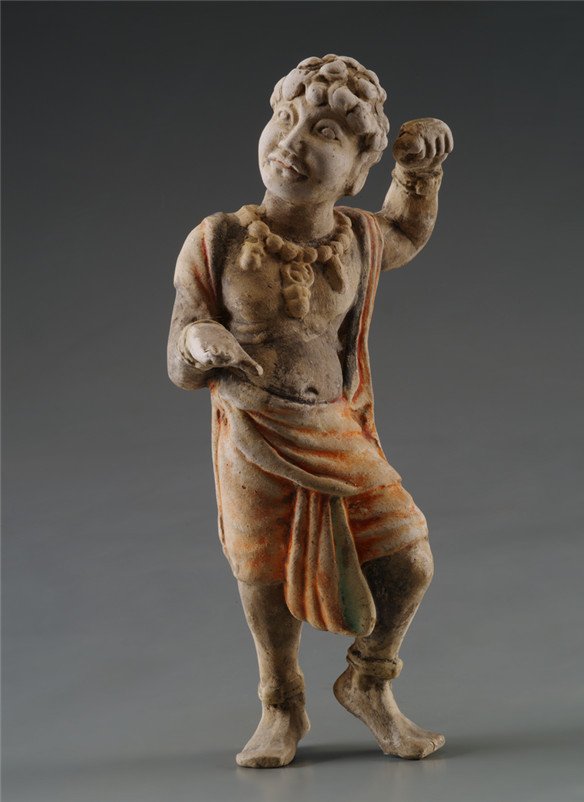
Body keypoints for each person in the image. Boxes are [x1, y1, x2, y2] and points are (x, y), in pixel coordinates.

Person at [167, 54, 453, 768]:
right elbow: (180, 346)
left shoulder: (356, 238)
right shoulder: (218, 240)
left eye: (324, 131)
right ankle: (281, 702)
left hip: (333, 425)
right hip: (253, 427)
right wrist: (202, 342)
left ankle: (368, 680)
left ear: (356, 171)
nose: (292, 141)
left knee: (408, 558)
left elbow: (407, 231)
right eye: (285, 118)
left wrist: (419, 171)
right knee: (262, 573)